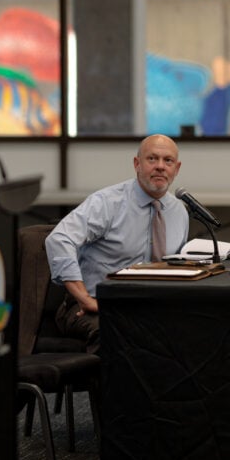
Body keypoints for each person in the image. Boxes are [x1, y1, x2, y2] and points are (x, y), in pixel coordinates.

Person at [45, 134, 189, 354]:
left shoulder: (179, 211)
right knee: (117, 330)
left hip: (148, 306)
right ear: (136, 164)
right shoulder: (107, 203)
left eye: (167, 161)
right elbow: (58, 239)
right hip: (95, 306)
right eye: (152, 159)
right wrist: (84, 298)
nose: (160, 166)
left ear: (176, 169)